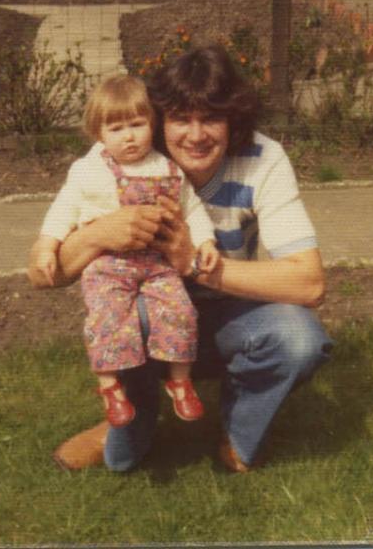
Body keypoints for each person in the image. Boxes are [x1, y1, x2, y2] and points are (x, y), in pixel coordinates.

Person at [30, 45, 332, 474]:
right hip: (147, 311)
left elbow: (310, 284)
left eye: (211, 118)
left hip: (227, 316)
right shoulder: (121, 157)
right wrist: (96, 235)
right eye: (180, 119)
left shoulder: (264, 160)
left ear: (234, 121)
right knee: (126, 313)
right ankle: (129, 425)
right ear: (157, 121)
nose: (195, 135)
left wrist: (193, 262)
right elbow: (43, 275)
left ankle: (239, 431)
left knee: (299, 339)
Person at [31, 75, 221, 428]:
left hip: (157, 263)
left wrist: (205, 241)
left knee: (180, 310)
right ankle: (110, 387)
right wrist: (47, 244)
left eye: (137, 124)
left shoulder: (166, 168)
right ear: (98, 133)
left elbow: (192, 209)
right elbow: (63, 209)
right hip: (108, 264)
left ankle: (179, 381)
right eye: (116, 128)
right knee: (108, 317)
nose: (129, 136)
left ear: (152, 123)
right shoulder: (89, 170)